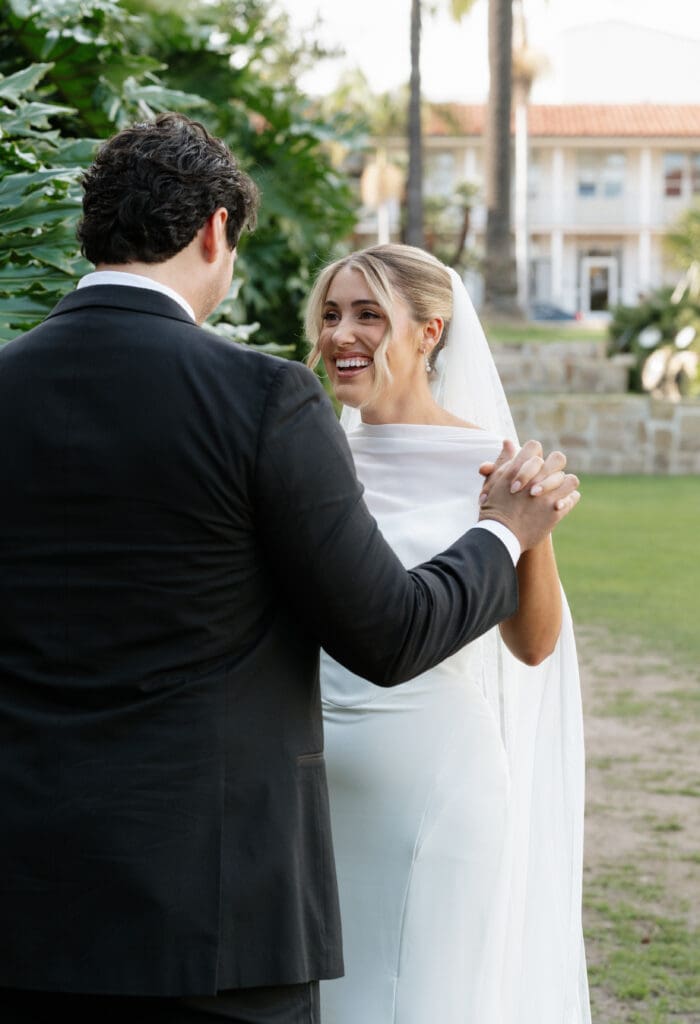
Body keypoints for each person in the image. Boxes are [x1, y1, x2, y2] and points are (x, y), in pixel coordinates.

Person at [0, 115, 579, 1024]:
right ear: (215, 232)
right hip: (218, 902)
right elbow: (388, 633)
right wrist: (503, 534)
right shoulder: (262, 399)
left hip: (28, 893)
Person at [306, 244, 590, 1024]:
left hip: (435, 786)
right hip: (306, 789)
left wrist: (525, 529)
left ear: (431, 331)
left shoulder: (495, 466)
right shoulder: (308, 458)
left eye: (368, 314)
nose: (341, 334)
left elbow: (534, 645)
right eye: (331, 314)